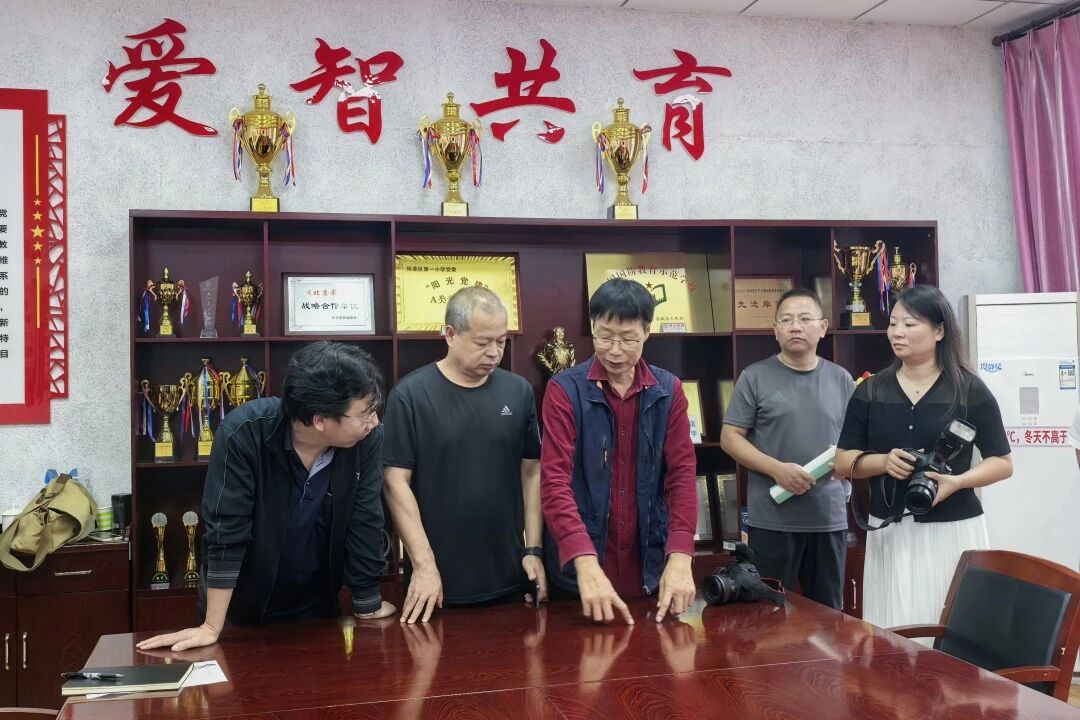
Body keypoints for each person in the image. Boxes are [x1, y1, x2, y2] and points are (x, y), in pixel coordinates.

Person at [137, 341, 395, 652]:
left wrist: (367, 603)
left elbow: (365, 518)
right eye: (365, 413)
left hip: (318, 603)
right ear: (320, 420)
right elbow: (226, 530)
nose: (374, 421)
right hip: (241, 608)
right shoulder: (244, 433)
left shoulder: (366, 440)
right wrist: (211, 626)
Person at [835, 285, 1013, 629]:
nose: (897, 332)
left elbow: (1003, 463)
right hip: (890, 531)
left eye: (909, 324)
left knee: (955, 630)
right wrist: (883, 462)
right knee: (894, 632)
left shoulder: (969, 389)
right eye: (893, 324)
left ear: (939, 331)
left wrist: (956, 482)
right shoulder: (870, 391)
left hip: (955, 529)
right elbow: (842, 462)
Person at [382, 286, 545, 624]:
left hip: (509, 575)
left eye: (501, 341)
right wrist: (424, 565)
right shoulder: (410, 395)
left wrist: (533, 549)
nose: (494, 352)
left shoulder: (518, 391)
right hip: (435, 583)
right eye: (482, 342)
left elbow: (531, 470)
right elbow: (395, 482)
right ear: (450, 335)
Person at [540, 277, 697, 625]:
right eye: (604, 336)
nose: (614, 350)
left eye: (628, 339)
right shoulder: (564, 391)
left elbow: (682, 476)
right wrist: (584, 561)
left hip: (650, 572)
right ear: (592, 327)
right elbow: (554, 483)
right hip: (581, 576)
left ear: (647, 332)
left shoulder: (668, 390)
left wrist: (681, 554)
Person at [720, 288, 855, 609]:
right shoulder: (754, 377)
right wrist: (777, 470)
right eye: (786, 320)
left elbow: (857, 443)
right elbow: (730, 437)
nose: (796, 327)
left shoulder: (842, 380)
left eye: (805, 319)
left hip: (828, 519)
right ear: (775, 329)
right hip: (772, 520)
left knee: (828, 617)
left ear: (822, 327)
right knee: (768, 616)